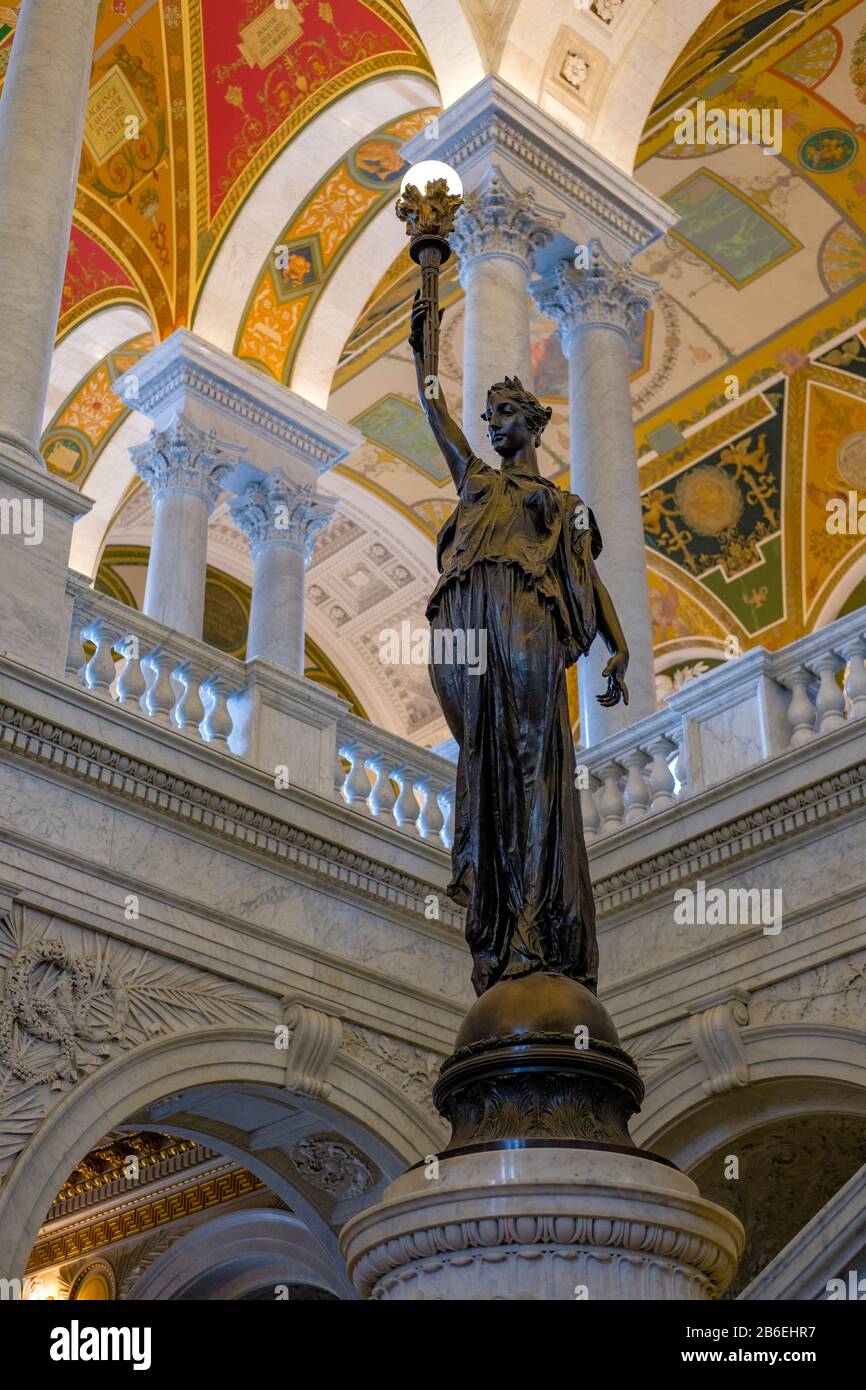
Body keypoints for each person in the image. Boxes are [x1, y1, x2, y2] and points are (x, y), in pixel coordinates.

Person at [410, 292, 630, 996]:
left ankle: (535, 926)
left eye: (505, 413)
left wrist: (616, 648)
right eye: (489, 415)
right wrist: (425, 347)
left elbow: (588, 581)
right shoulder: (475, 481)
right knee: (487, 763)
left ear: (534, 423)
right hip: (469, 624)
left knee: (532, 764)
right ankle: (501, 922)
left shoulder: (562, 506)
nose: (492, 423)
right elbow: (433, 408)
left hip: (527, 616)